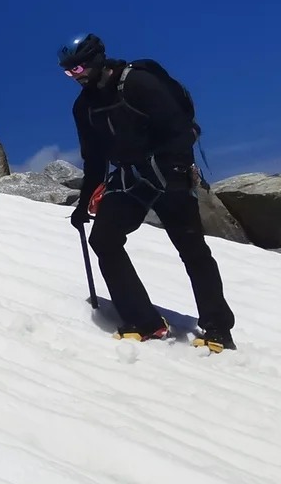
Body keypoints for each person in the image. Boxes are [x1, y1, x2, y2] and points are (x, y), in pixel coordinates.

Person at [59, 33, 236, 351]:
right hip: (131, 178)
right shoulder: (84, 107)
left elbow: (181, 131)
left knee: (191, 249)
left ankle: (218, 328)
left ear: (98, 58)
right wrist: (83, 204)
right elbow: (94, 159)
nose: (76, 75)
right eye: (69, 71)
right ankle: (144, 321)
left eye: (79, 67)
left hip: (172, 175)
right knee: (103, 239)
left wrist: (170, 169)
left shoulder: (138, 83)